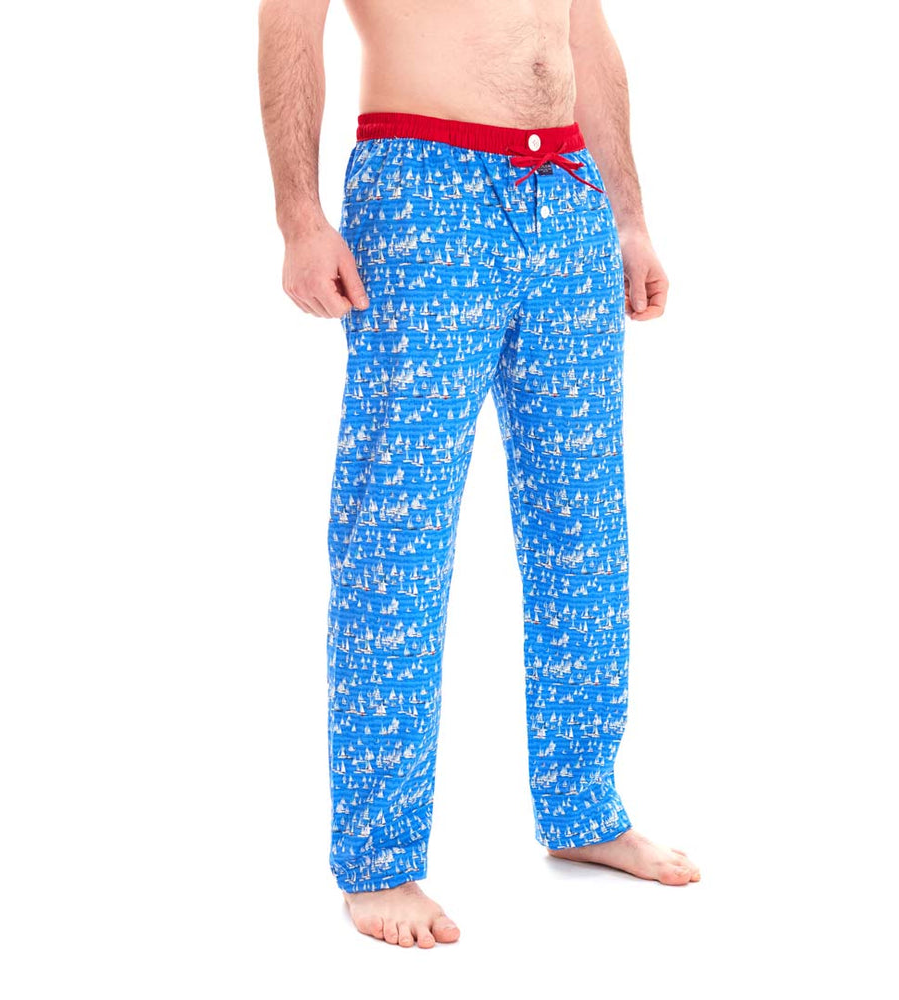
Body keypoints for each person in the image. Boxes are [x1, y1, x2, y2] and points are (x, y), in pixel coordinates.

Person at [257, 0, 700, 949]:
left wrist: (627, 217)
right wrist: (299, 215)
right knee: (396, 534)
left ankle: (584, 807)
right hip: (423, 187)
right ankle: (379, 860)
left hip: (569, 192)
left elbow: (582, 32)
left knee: (584, 529)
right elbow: (290, 20)